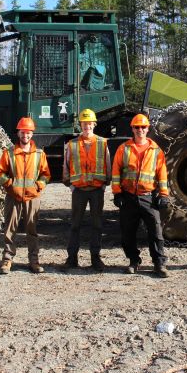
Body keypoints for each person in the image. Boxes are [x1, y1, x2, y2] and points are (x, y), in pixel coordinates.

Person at [111, 113, 170, 278]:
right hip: (128, 197)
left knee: (156, 232)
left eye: (143, 127)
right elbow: (116, 172)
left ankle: (159, 264)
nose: (140, 130)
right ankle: (133, 261)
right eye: (137, 127)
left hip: (148, 197)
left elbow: (162, 174)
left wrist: (163, 194)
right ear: (132, 129)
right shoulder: (124, 149)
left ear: (147, 128)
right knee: (127, 232)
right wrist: (117, 194)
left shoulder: (156, 150)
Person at [0, 117, 51, 274]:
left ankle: (34, 261)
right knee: (9, 230)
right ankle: (7, 260)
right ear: (18, 133)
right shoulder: (9, 153)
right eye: (22, 132)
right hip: (13, 197)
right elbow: (0, 173)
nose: (25, 135)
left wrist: (38, 186)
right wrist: (9, 185)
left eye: (28, 133)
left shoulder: (39, 154)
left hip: (32, 198)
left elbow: (46, 175)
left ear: (32, 134)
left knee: (32, 231)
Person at [61, 108, 111, 272]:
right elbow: (66, 167)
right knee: (75, 225)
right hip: (79, 191)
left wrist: (104, 184)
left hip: (97, 190)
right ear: (80, 125)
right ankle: (72, 259)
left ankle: (95, 259)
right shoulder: (72, 144)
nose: (87, 126)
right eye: (84, 124)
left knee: (97, 225)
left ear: (94, 124)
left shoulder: (102, 143)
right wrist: (71, 186)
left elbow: (108, 165)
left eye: (89, 124)